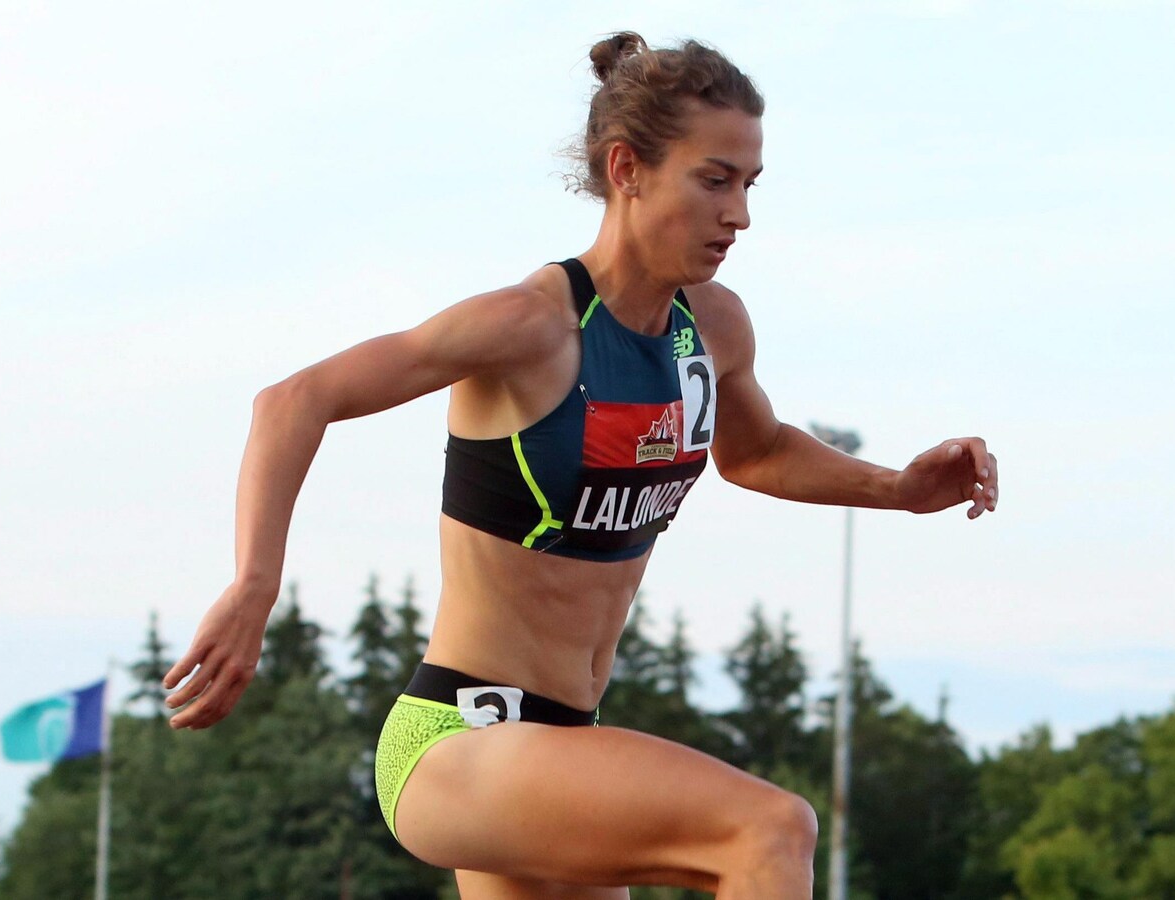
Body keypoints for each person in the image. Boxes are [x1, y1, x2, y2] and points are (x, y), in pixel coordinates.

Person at [163, 32, 998, 899]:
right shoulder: (529, 326)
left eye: (750, 186)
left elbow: (759, 452)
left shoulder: (712, 329)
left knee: (760, 834)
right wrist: (255, 586)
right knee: (769, 828)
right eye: (715, 180)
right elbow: (292, 400)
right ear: (627, 168)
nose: (740, 214)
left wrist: (897, 489)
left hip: (565, 746)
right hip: (459, 740)